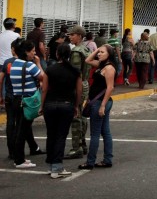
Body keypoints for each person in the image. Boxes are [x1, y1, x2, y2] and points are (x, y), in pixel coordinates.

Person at [40, 43, 82, 179]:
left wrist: (41, 105)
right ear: (69, 55)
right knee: (61, 136)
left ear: (57, 54)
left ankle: (51, 164)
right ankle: (57, 167)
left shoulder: (50, 69)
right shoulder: (75, 71)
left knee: (51, 135)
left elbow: (44, 89)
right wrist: (76, 106)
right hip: (67, 105)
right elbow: (79, 91)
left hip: (50, 105)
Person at [0, 38, 42, 160]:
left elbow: (1, 80)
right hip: (25, 98)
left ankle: (13, 151)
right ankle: (22, 153)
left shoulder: (8, 63)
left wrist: (0, 96)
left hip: (11, 97)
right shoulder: (28, 65)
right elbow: (42, 78)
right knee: (23, 125)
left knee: (12, 123)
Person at [79, 44, 116, 170]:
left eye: (102, 52)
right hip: (98, 102)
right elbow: (87, 60)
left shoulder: (109, 68)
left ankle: (90, 162)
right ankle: (107, 159)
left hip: (100, 102)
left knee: (95, 134)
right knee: (105, 131)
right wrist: (98, 49)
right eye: (98, 52)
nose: (99, 54)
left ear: (109, 55)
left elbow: (110, 87)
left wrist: (102, 106)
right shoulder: (102, 65)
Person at [9, 39, 44, 168]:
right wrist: (39, 64)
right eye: (33, 51)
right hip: (27, 101)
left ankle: (20, 157)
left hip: (17, 99)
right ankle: (19, 160)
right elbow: (43, 77)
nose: (34, 53)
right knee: (22, 131)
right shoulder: (29, 65)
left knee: (21, 129)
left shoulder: (15, 64)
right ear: (26, 52)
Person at [65, 25, 91, 159]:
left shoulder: (76, 51)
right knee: (82, 116)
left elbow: (75, 73)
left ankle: (76, 148)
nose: (70, 37)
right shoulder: (86, 49)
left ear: (80, 36)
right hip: (85, 83)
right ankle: (83, 144)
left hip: (78, 85)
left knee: (76, 116)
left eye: (72, 34)